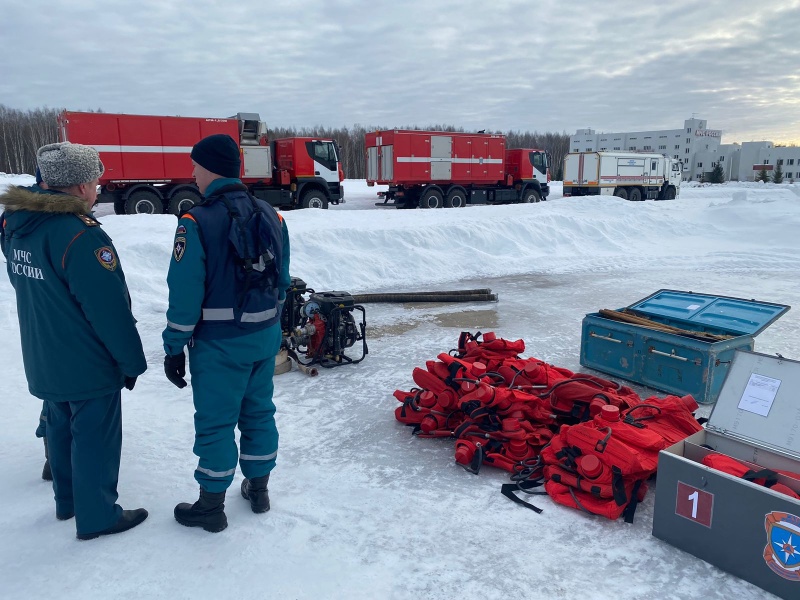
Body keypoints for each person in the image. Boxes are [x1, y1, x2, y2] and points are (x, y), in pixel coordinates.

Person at [0, 142, 149, 540]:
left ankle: (67, 502)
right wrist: (131, 362)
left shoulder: (15, 222)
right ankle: (98, 515)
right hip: (86, 360)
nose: (99, 188)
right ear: (81, 186)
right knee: (93, 437)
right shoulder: (80, 236)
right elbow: (109, 310)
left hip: (43, 351)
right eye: (96, 180)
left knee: (60, 425)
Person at [163, 133, 290, 533]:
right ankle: (259, 489)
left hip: (219, 344)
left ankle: (211, 506)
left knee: (217, 422)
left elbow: (185, 294)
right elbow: (283, 281)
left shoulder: (195, 221)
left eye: (196, 165)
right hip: (264, 335)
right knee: (259, 411)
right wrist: (272, 326)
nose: (192, 173)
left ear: (211, 168)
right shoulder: (273, 215)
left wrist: (173, 347)